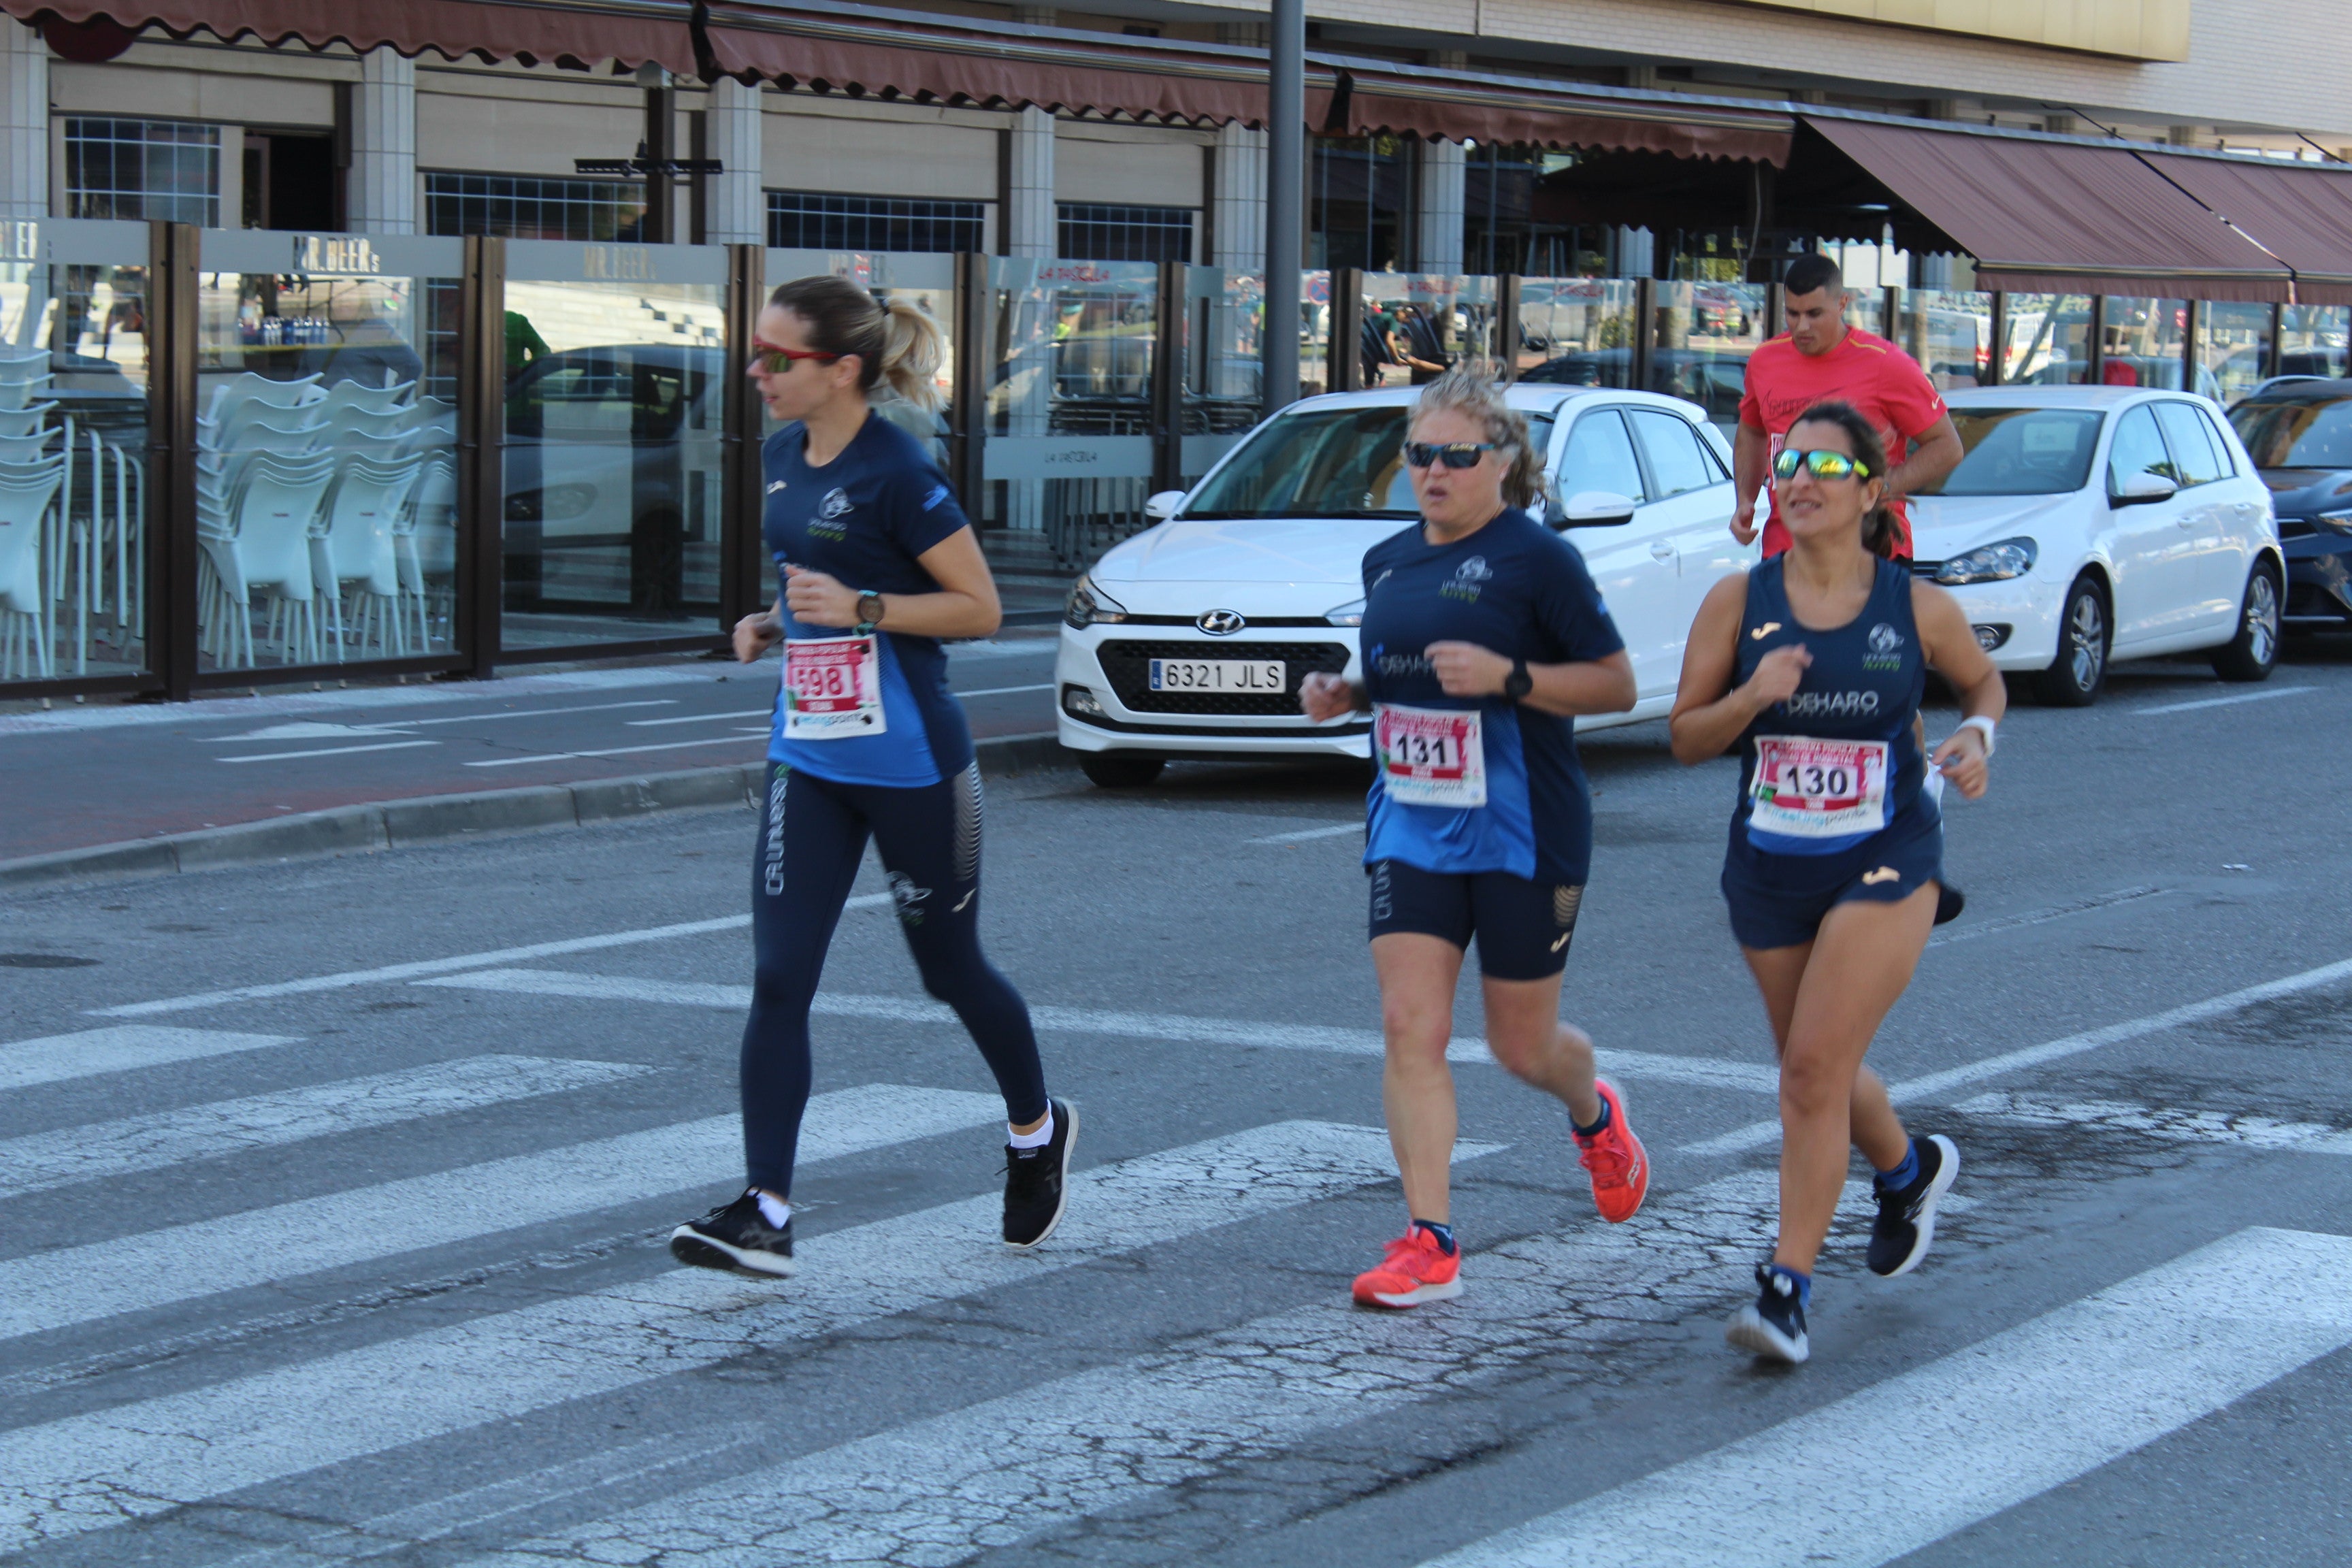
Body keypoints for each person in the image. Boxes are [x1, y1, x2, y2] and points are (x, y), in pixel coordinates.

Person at [670, 275, 1073, 1278]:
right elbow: (813, 572)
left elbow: (979, 608)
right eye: (754, 352)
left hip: (911, 764)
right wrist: (778, 620)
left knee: (949, 970)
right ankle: (766, 1208)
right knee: (778, 975)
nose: (755, 372)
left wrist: (862, 611)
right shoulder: (777, 458)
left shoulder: (900, 470)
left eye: (777, 358)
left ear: (841, 370)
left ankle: (1035, 1128)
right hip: (809, 752)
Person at [1301, 366, 1652, 1311]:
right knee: (1409, 1024)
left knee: (1521, 1046)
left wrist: (1511, 677)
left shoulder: (1540, 562)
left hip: (1521, 828)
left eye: (1457, 455)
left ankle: (1595, 1112)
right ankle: (1431, 1238)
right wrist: (1349, 693)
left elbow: (1616, 686)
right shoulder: (1388, 561)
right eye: (1420, 454)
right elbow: (1403, 670)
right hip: (1411, 820)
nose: (1435, 472)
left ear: (1504, 462)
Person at [1669, 399, 2005, 1365]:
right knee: (1812, 1067)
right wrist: (1751, 694)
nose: (1798, 481)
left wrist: (1978, 736)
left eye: (1821, 465)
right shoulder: (1738, 602)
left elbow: (1982, 683)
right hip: (1771, 864)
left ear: (1872, 488)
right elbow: (1687, 739)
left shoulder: (1916, 607)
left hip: (1888, 855)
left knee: (1811, 1072)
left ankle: (1786, 1290)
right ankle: (1906, 1169)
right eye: (1785, 465)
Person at [1731, 254, 1963, 561]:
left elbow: (1948, 447)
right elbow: (1751, 431)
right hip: (1786, 551)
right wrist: (1745, 499)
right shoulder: (1765, 361)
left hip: (1872, 554)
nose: (1802, 326)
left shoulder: (1886, 364)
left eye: (1814, 314)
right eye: (1792, 314)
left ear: (1842, 304)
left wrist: (1878, 490)